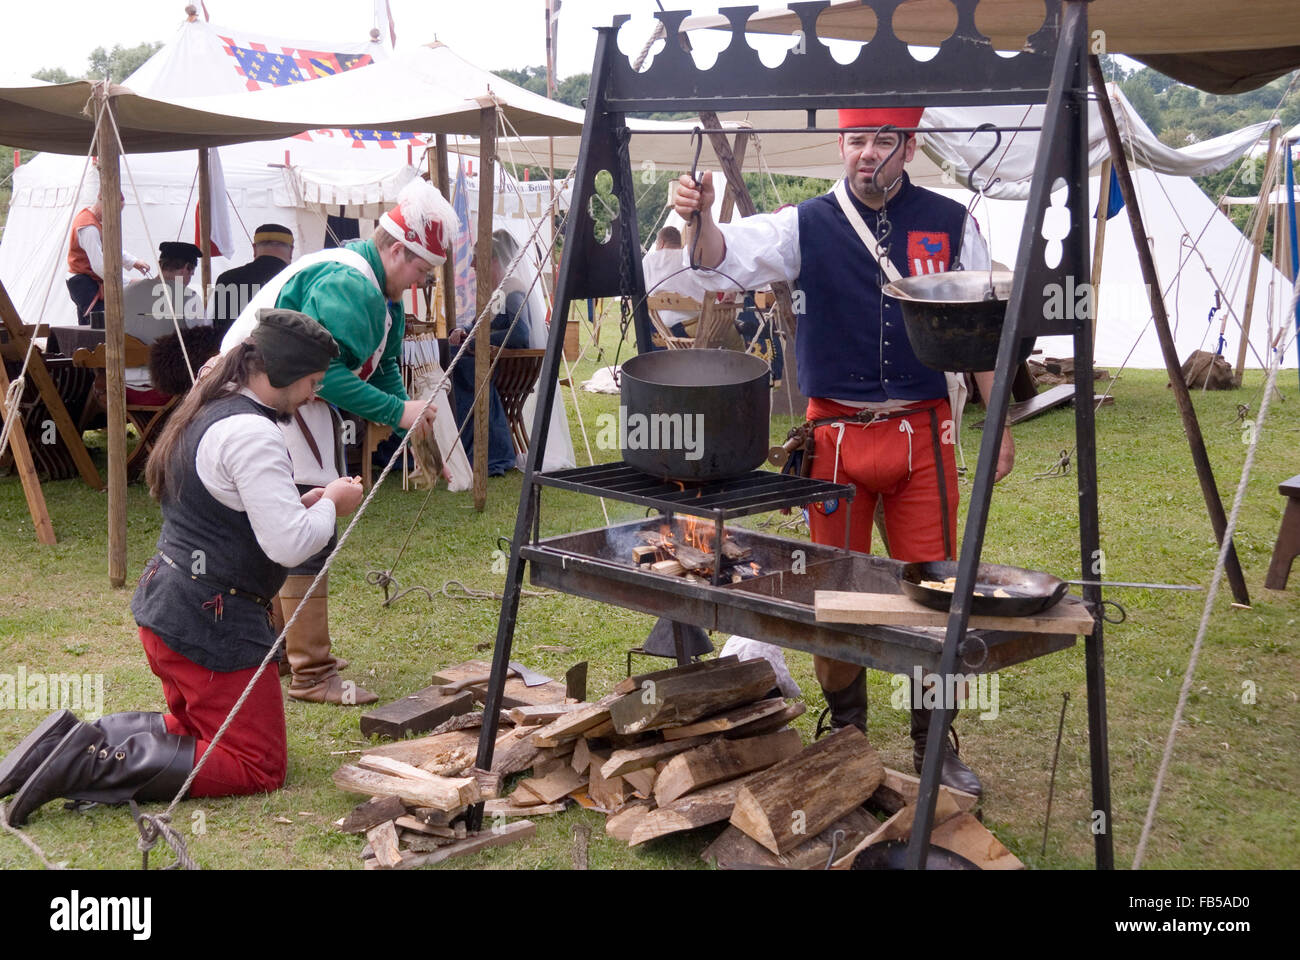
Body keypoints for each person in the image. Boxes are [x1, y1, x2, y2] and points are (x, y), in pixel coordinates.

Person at [672, 107, 1016, 797]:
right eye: (856, 140)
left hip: (924, 432)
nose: (867, 154)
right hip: (833, 437)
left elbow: (982, 325)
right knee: (836, 593)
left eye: (882, 140)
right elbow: (719, 262)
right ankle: (848, 732)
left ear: (908, 146)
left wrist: (998, 419)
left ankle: (932, 741)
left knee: (936, 592)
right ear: (843, 146)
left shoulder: (953, 224)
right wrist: (699, 218)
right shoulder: (806, 223)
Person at [0, 310, 365, 826]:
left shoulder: (212, 405)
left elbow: (231, 507)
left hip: (174, 613)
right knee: (258, 765)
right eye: (311, 382)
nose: (312, 395)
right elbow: (288, 545)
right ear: (282, 372)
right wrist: (332, 503)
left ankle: (82, 740)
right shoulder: (251, 433)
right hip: (208, 629)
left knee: (193, 732)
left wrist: (300, 500)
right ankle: (86, 761)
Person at [220, 179, 447, 705]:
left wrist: (401, 412)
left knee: (290, 521)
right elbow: (325, 375)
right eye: (420, 269)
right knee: (303, 527)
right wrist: (396, 410)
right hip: (267, 398)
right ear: (396, 250)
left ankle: (282, 647)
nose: (421, 281)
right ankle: (311, 672)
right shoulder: (352, 283)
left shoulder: (378, 287)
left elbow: (384, 359)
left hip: (288, 398)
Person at [448, 228, 532, 477]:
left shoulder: (512, 290)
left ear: (493, 260)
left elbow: (520, 335)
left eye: (477, 260)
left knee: (459, 366)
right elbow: (477, 325)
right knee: (448, 352)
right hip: (489, 361)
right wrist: (462, 331)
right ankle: (460, 446)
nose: (473, 266)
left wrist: (475, 340)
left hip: (506, 367)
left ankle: (489, 452)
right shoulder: (496, 292)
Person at [122, 241, 206, 404]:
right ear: (187, 268)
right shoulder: (189, 298)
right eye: (191, 273)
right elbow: (202, 343)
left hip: (121, 387)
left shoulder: (124, 293)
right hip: (166, 390)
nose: (189, 280)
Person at [66, 195, 150, 327]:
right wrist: (128, 282)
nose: (117, 215)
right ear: (104, 203)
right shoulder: (89, 228)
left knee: (90, 326)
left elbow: (108, 247)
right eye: (116, 210)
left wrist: (133, 261)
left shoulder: (94, 219)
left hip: (88, 281)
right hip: (83, 283)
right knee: (99, 325)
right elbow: (99, 266)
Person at [211, 223, 295, 341]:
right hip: (281, 356)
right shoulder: (297, 279)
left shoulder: (227, 279)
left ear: (254, 248)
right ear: (291, 250)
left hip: (235, 355)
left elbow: (219, 329)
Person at [641, 226, 698, 337]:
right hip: (699, 325)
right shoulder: (690, 257)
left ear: (661, 243)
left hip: (666, 329)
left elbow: (644, 292)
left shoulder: (648, 260)